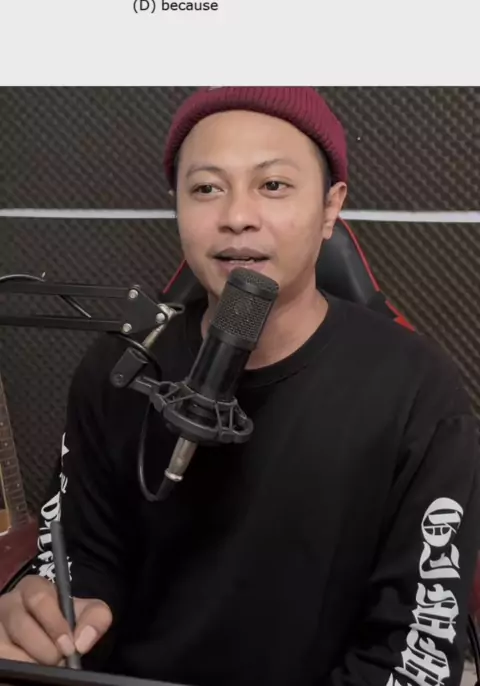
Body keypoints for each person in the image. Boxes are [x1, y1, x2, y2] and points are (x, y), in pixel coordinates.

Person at [0, 86, 478, 686]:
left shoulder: (417, 392)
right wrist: (53, 618)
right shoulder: (120, 368)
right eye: (206, 188)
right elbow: (81, 555)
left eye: (273, 184)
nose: (236, 216)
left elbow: (412, 648)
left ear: (330, 207)